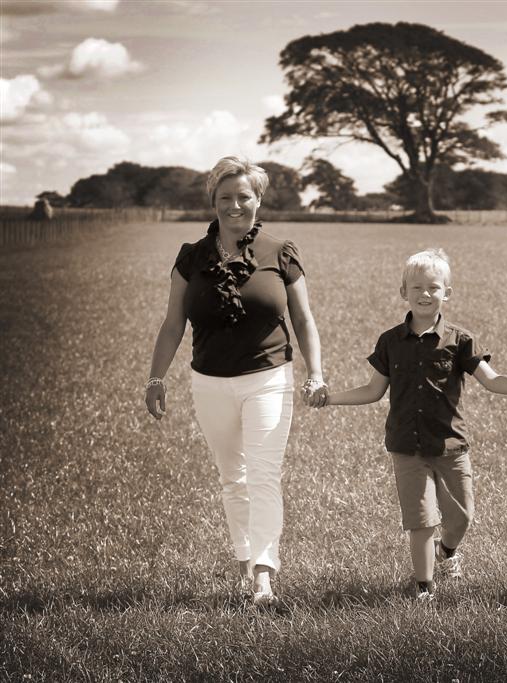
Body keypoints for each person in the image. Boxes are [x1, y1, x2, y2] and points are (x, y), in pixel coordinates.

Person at [145, 156, 328, 607]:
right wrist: (155, 377)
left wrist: (316, 372)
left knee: (263, 476)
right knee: (233, 478)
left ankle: (264, 577)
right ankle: (246, 561)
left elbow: (304, 320)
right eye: (224, 197)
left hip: (268, 378)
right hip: (209, 382)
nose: (234, 205)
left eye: (243, 196)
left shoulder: (281, 252)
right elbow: (173, 324)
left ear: (258, 199)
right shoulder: (191, 257)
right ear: (213, 201)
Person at [315, 248, 507, 601]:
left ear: (448, 293)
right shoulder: (390, 341)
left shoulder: (460, 340)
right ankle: (423, 587)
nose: (425, 294)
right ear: (404, 292)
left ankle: (447, 551)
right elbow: (373, 390)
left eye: (433, 287)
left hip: (450, 445)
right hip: (407, 447)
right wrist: (330, 398)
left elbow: (491, 380)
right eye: (416, 287)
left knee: (462, 516)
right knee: (421, 520)